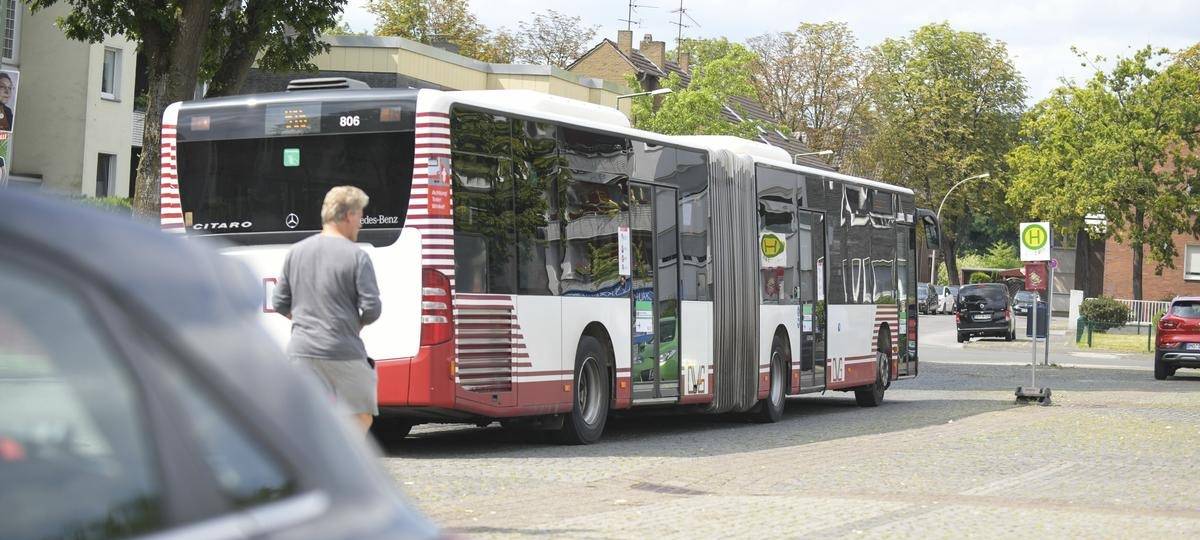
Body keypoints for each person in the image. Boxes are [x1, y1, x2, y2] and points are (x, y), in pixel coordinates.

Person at [272, 186, 381, 433]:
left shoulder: (296, 252)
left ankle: (308, 467)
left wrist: (301, 320)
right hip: (342, 350)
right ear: (349, 215)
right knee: (360, 415)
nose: (361, 223)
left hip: (301, 351)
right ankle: (344, 466)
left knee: (303, 418)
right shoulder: (357, 256)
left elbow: (279, 302)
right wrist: (355, 324)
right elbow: (372, 308)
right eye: (361, 216)